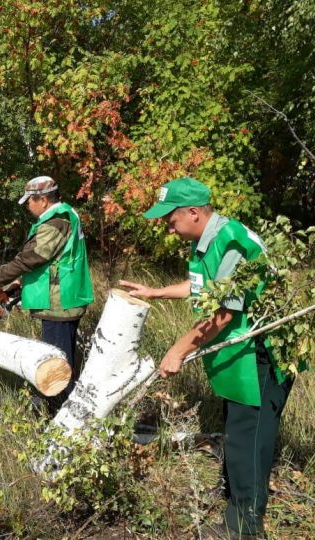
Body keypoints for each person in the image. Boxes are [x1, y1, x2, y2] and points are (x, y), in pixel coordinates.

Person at [119, 177, 293, 539]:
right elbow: (202, 286)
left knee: (251, 441)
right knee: (237, 435)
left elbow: (225, 315)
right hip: (240, 353)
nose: (167, 225)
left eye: (171, 218)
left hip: (261, 354)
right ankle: (234, 511)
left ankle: (246, 529)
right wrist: (156, 292)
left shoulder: (230, 243)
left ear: (194, 213)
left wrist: (179, 349)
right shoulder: (207, 241)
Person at [0, 176, 93, 409]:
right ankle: (62, 408)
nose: (28, 205)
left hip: (59, 303)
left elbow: (30, 258)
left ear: (44, 200)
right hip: (60, 299)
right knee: (60, 359)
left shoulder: (57, 222)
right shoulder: (62, 216)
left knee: (57, 366)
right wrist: (18, 283)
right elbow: (48, 262)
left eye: (30, 200)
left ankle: (62, 415)